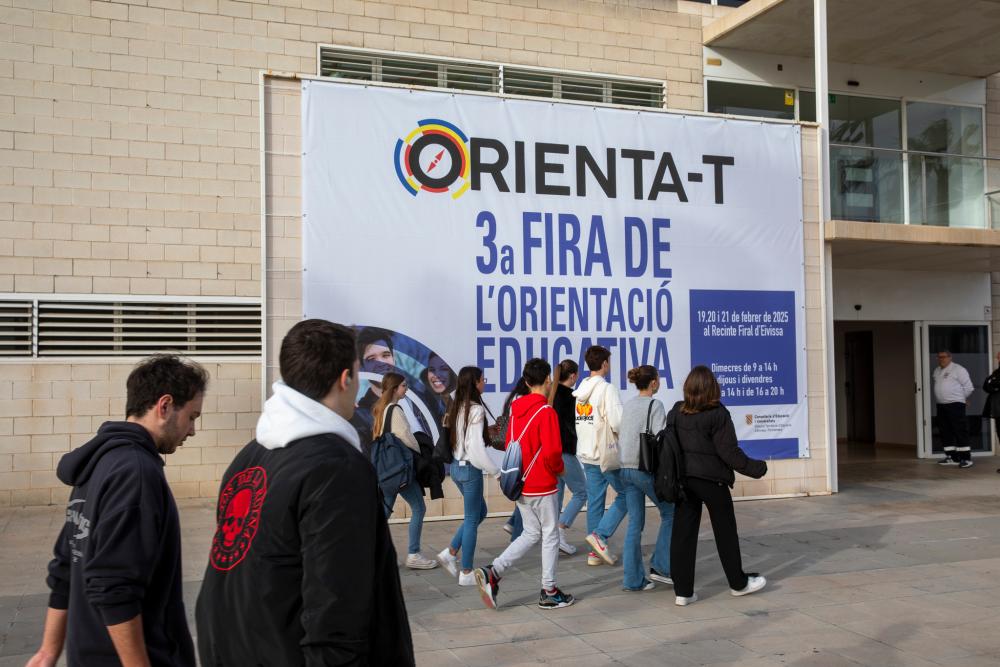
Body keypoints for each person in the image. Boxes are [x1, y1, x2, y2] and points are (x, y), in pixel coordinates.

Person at [195, 319, 413, 666]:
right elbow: (335, 610)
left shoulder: (250, 456)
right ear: (345, 379)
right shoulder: (336, 468)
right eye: (357, 374)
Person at [29, 355, 207, 667]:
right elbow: (113, 586)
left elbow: (66, 566)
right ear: (164, 406)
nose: (191, 430)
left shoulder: (100, 463)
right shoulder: (136, 473)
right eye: (192, 416)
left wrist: (48, 651)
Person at [475, 358, 575, 610]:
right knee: (550, 535)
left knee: (531, 533)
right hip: (543, 484)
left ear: (527, 382)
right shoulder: (546, 412)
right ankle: (549, 590)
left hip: (519, 483)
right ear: (548, 380)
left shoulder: (516, 410)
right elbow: (553, 452)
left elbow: (511, 443)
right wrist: (560, 470)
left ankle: (494, 570)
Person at [671, 365, 768, 607]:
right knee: (725, 532)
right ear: (712, 388)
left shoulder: (676, 412)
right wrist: (757, 468)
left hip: (683, 480)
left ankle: (683, 592)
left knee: (683, 535)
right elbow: (729, 453)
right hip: (712, 481)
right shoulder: (718, 414)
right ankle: (738, 583)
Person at [600, 365, 674, 592]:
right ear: (652, 382)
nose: (659, 382)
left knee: (635, 523)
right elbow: (662, 437)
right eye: (658, 379)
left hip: (625, 469)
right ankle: (661, 566)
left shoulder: (629, 404)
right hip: (644, 469)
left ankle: (633, 580)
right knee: (670, 512)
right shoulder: (655, 405)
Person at [436, 367, 498, 585]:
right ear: (476, 383)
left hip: (456, 467)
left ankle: (450, 552)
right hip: (470, 469)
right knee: (472, 518)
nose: (485, 382)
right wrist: (496, 471)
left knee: (480, 512)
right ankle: (466, 572)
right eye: (483, 379)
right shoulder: (475, 410)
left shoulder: (457, 408)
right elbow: (476, 449)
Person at [372, 372, 438, 569]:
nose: (406, 389)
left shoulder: (381, 410)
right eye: (403, 386)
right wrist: (420, 453)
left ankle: (370, 551)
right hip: (400, 470)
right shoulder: (395, 409)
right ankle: (414, 553)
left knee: (384, 512)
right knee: (419, 508)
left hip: (387, 472)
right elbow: (405, 437)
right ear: (394, 389)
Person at [575, 345, 626, 566]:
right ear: (604, 364)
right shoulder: (607, 389)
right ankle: (601, 536)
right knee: (627, 494)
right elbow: (617, 421)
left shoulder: (581, 390)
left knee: (595, 502)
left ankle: (594, 553)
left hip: (586, 452)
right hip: (605, 453)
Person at [548, 359, 587, 556]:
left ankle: (554, 537)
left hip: (552, 451)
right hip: (565, 451)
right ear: (573, 376)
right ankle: (561, 530)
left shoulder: (552, 395)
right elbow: (575, 425)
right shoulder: (571, 398)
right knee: (582, 492)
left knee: (558, 495)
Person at [933, 349, 975, 468]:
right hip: (941, 405)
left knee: (959, 430)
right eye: (939, 357)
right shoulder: (936, 370)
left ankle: (966, 459)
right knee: (945, 431)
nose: (941, 359)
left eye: (944, 357)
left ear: (950, 357)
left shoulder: (958, 369)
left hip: (955, 404)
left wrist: (961, 399)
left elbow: (969, 387)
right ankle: (951, 457)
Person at [982, 351, 1000, 473]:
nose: (998, 358)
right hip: (997, 410)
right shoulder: (996, 372)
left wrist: (994, 384)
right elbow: (986, 386)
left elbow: (993, 384)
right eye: (998, 356)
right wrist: (994, 384)